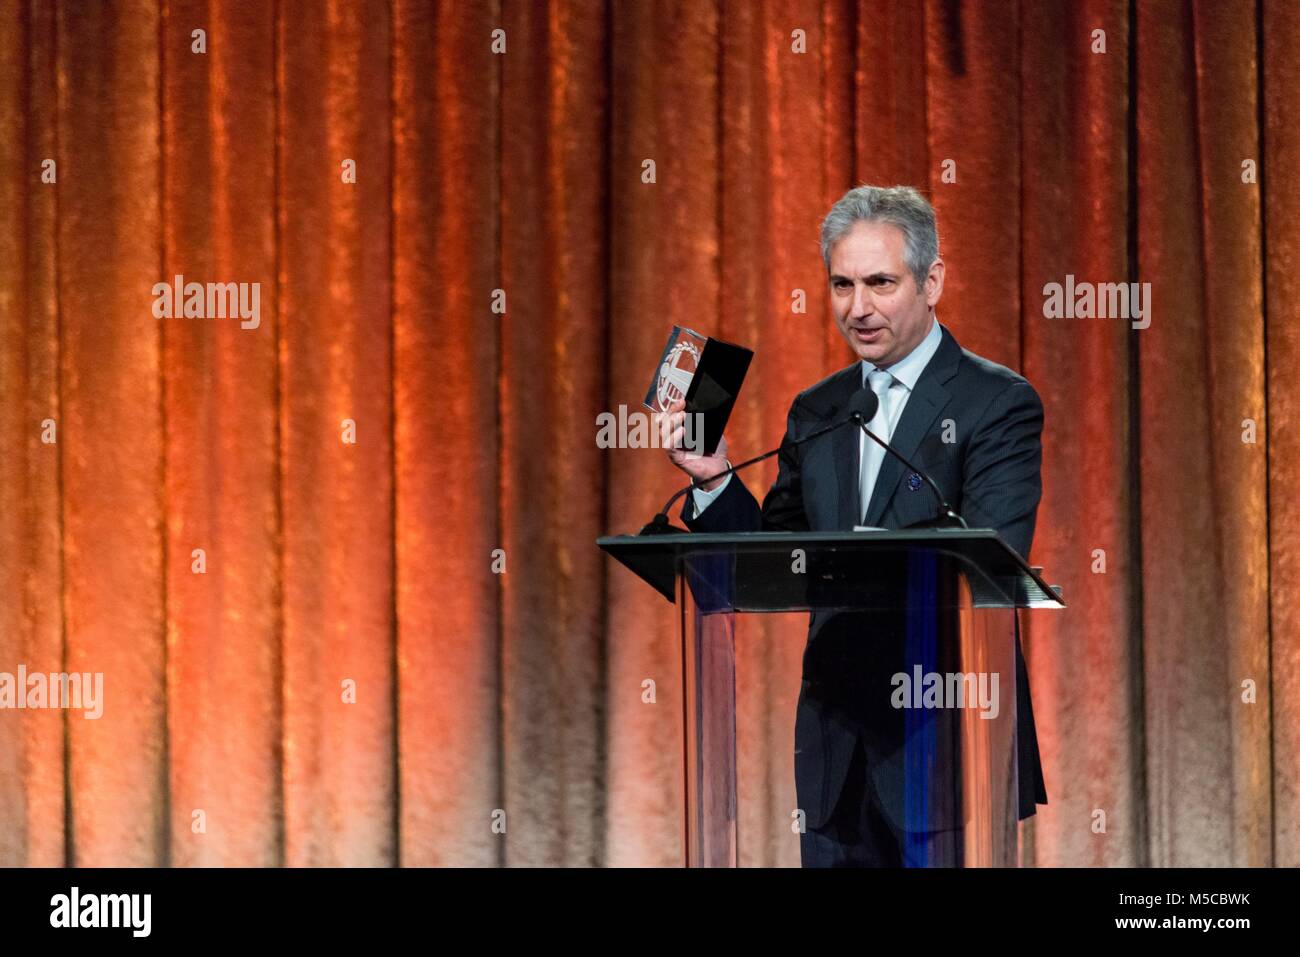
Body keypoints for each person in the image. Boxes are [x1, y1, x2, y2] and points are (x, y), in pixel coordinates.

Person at [659, 185, 1047, 866]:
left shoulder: (998, 402)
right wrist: (714, 478)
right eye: (841, 284)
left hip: (948, 745)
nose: (857, 307)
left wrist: (856, 556)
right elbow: (774, 553)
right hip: (836, 759)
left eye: (879, 282)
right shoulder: (821, 408)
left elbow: (994, 556)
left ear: (932, 281)